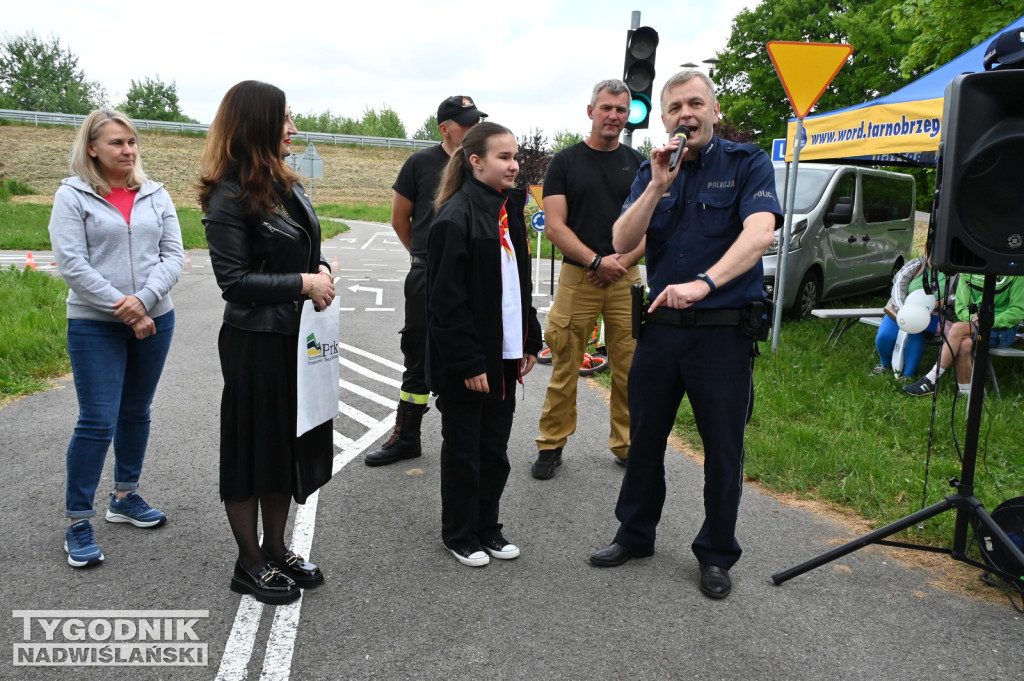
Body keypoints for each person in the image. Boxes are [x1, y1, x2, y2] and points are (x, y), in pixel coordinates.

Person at [588, 71, 782, 601]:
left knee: (723, 448)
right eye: (675, 107)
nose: (685, 114)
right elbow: (622, 239)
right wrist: (655, 187)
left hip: (722, 333)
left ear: (714, 111)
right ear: (666, 118)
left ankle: (717, 554)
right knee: (645, 439)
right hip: (661, 331)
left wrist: (706, 283)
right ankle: (635, 534)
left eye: (696, 104)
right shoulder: (653, 171)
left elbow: (760, 232)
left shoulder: (748, 163)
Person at [200, 81, 336, 605]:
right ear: (257, 123)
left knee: (283, 448)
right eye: (284, 119)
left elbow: (299, 252)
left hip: (293, 338)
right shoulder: (226, 193)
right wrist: (305, 283)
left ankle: (276, 548)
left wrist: (317, 268)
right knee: (248, 451)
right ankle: (248, 561)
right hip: (254, 343)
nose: (293, 129)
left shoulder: (286, 183)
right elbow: (233, 282)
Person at [49, 108, 184, 568]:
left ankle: (125, 496)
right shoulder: (73, 196)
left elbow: (173, 256)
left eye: (132, 142)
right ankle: (77, 520)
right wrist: (123, 308)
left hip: (154, 318)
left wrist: (143, 300)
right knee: (97, 420)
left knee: (135, 411)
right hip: (94, 323)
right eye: (116, 143)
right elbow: (72, 263)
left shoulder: (156, 194)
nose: (128, 151)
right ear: (92, 148)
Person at [425, 121, 542, 567]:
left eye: (515, 157)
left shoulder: (507, 210)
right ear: (476, 162)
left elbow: (518, 285)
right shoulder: (455, 217)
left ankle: (487, 527)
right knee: (464, 451)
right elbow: (445, 305)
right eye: (504, 157)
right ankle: (459, 533)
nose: (514, 165)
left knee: (494, 450)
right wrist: (470, 362)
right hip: (470, 364)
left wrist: (530, 337)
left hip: (506, 356)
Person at [532, 79, 646, 479]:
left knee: (631, 369)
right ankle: (551, 444)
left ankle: (628, 445)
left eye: (621, 109)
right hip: (579, 276)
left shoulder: (638, 163)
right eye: (606, 108)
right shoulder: (565, 162)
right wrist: (597, 261)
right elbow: (556, 226)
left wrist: (619, 262)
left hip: (626, 277)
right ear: (591, 111)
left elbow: (649, 225)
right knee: (565, 364)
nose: (613, 115)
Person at [365, 95, 486, 467]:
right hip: (426, 274)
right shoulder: (419, 163)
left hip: (472, 276)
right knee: (417, 354)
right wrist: (424, 257)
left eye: (476, 121)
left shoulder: (479, 164)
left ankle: (472, 438)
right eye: (466, 123)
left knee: (470, 353)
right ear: (445, 128)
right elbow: (400, 219)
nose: (473, 128)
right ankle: (407, 436)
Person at [903, 274, 1024, 397]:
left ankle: (931, 380)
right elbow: (961, 308)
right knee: (964, 344)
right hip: (974, 325)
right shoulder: (969, 273)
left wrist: (989, 321)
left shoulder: (1016, 274)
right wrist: (974, 318)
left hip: (1003, 330)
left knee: (957, 328)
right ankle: (966, 394)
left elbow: (1018, 311)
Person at [872, 253, 949, 378]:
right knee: (884, 336)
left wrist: (943, 302)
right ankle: (885, 365)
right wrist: (905, 311)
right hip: (900, 309)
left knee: (915, 337)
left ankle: (908, 375)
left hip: (929, 314)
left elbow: (958, 296)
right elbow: (898, 287)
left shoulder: (954, 274)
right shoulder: (915, 265)